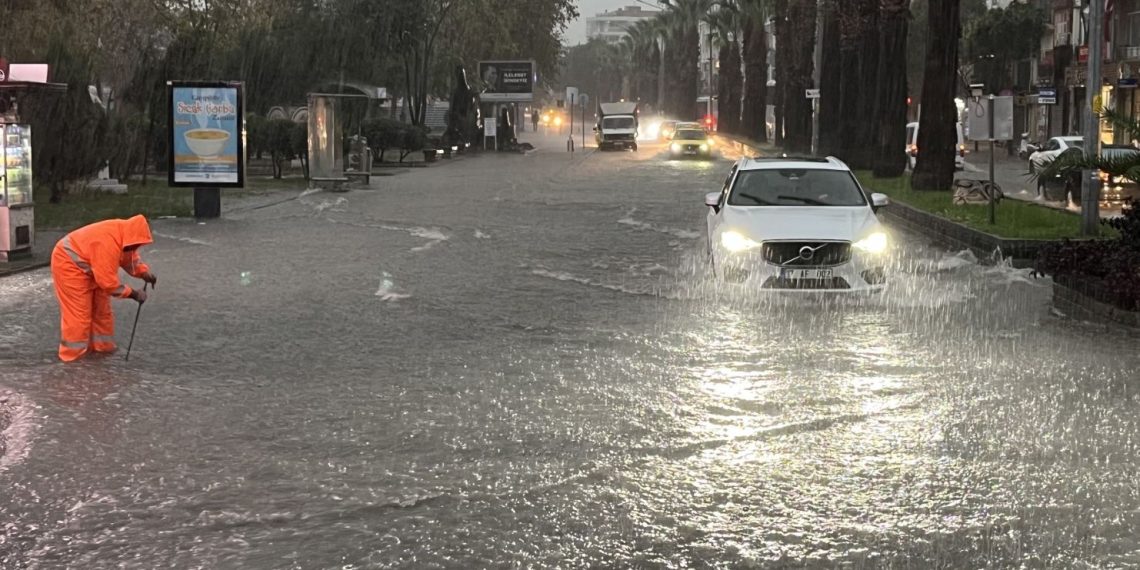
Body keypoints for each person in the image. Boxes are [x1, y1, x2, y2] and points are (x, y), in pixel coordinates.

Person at [50, 215, 156, 362]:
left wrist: (144, 273)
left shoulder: (125, 236)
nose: (136, 247)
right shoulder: (108, 243)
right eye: (137, 244)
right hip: (69, 265)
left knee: (102, 312)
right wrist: (134, 294)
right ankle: (72, 358)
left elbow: (129, 258)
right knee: (79, 315)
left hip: (91, 265)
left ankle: (102, 349)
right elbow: (110, 286)